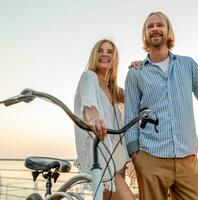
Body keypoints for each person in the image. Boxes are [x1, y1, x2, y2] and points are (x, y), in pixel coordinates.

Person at [124, 11, 198, 200]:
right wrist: (136, 157)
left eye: (160, 25)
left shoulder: (188, 65)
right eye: (150, 26)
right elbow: (130, 115)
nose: (155, 29)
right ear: (145, 34)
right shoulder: (136, 73)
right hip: (150, 158)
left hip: (188, 159)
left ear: (168, 31)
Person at [74, 39, 134, 200]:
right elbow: (88, 101)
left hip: (118, 159)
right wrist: (93, 117)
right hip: (102, 157)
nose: (105, 54)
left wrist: (139, 69)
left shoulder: (114, 90)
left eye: (110, 52)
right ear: (95, 55)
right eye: (100, 51)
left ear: (115, 58)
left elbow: (136, 95)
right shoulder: (89, 77)